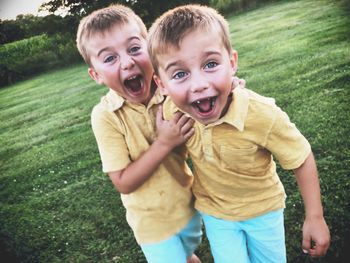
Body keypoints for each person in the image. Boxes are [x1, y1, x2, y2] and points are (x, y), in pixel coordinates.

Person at [147, 4, 331, 263]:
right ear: (162, 84)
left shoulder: (262, 114)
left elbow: (301, 157)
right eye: (180, 74)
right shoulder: (173, 111)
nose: (199, 85)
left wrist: (315, 216)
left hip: (263, 212)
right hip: (216, 214)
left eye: (211, 64)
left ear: (232, 63)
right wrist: (162, 135)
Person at [75, 5, 203, 263]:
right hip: (152, 225)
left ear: (152, 50)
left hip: (189, 208)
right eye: (109, 58)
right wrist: (164, 143)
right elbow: (123, 181)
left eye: (135, 48)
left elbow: (206, 101)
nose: (127, 61)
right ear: (96, 74)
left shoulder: (170, 91)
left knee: (188, 255)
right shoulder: (106, 116)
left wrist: (228, 90)